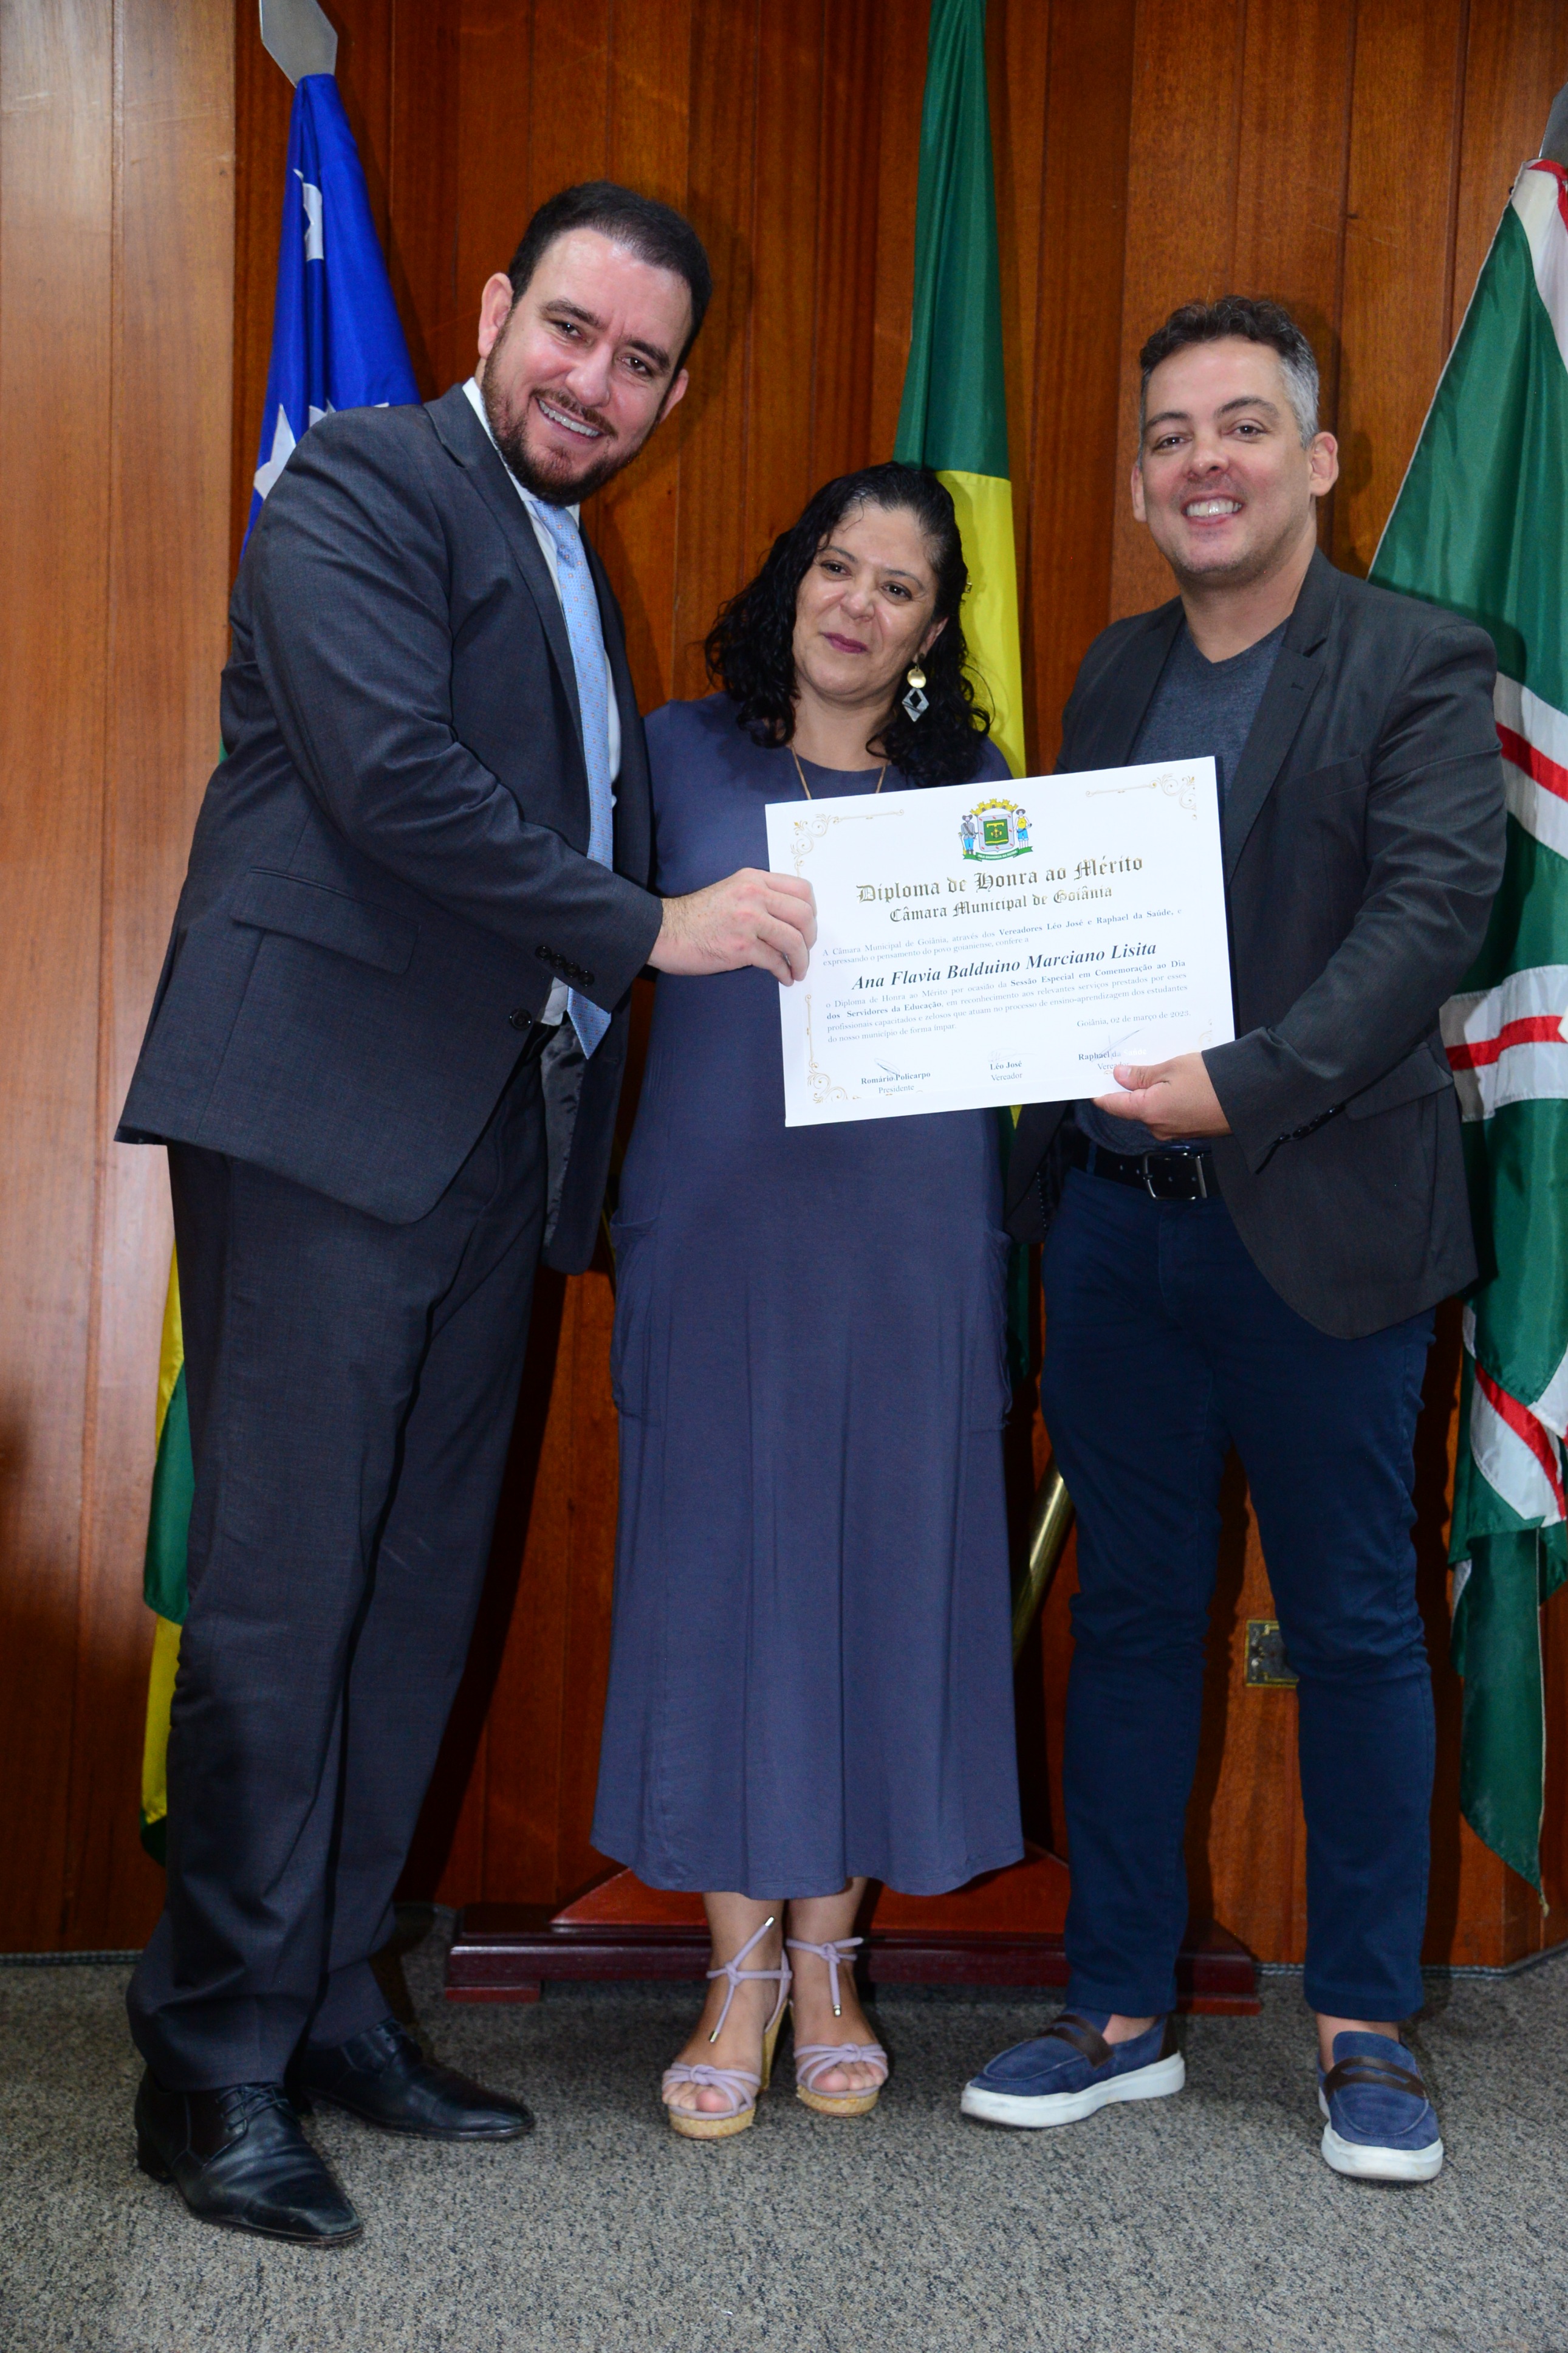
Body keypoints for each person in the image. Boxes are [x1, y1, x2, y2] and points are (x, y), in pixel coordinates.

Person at [116, 182, 818, 2245]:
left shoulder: (571, 558)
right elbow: (390, 779)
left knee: (412, 1601)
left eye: (642, 363)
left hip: (498, 1136)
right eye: (573, 332)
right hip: (326, 1114)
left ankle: (332, 2003)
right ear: (500, 309)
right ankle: (210, 2062)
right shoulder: (361, 479)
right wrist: (654, 926)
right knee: (283, 1602)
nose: (596, 383)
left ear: (673, 393)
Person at [961, 297, 1505, 2182]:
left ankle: (1363, 2023)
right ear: (1139, 484)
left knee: (1353, 1624)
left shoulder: (1419, 660)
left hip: (1326, 1222)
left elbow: (1428, 918)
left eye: (1245, 426)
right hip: (1117, 1235)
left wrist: (1243, 1082)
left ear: (1318, 459)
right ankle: (1117, 2012)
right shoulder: (1111, 672)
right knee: (1128, 1619)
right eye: (1172, 435)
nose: (1206, 462)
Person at [591, 462, 1025, 2140]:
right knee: (717, 1572)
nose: (858, 604)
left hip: (910, 1234)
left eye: (898, 587)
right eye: (838, 566)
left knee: (880, 1567)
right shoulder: (670, 753)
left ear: (931, 629)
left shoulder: (972, 791)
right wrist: (663, 922)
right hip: (717, 1225)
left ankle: (833, 1960)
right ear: (795, 574)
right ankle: (738, 1972)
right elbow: (575, 936)